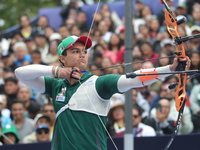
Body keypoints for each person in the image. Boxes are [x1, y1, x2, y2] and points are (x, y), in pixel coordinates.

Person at [14, 35, 190, 150]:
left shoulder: (99, 83)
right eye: (75, 51)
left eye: (85, 51)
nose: (82, 55)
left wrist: (171, 68)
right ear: (62, 57)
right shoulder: (55, 85)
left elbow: (133, 79)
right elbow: (20, 73)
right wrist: (56, 72)